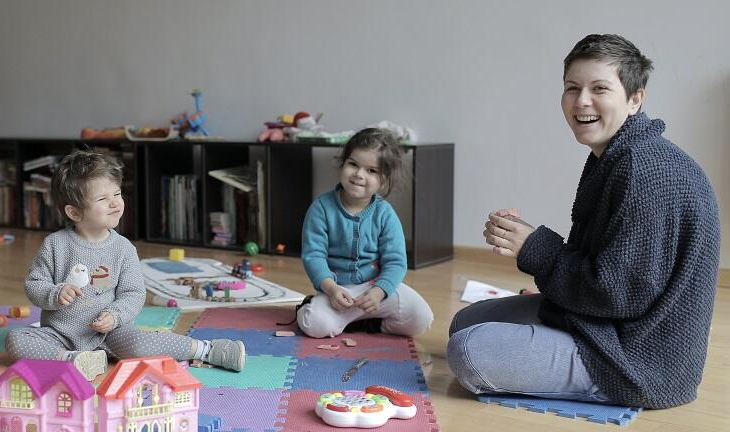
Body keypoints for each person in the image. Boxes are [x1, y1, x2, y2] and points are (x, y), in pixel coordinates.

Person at [447, 34, 720, 409]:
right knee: (463, 323)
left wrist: (534, 247)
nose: (582, 101)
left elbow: (618, 294)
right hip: (604, 325)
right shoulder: (616, 155)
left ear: (635, 98)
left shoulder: (645, 169)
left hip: (637, 359)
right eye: (572, 88)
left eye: (600, 88)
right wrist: (526, 241)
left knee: (468, 350)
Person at [5, 149, 245, 379]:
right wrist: (55, 293)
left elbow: (134, 293)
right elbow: (34, 284)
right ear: (75, 212)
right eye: (102, 198)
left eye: (117, 194)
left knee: (140, 343)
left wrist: (115, 315)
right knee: (16, 340)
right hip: (61, 334)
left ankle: (207, 349)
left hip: (111, 332)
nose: (115, 203)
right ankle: (73, 360)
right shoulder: (55, 245)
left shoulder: (123, 249)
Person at [297, 127, 433, 339]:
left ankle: (371, 323)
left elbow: (396, 262)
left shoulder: (385, 213)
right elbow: (313, 256)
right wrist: (331, 289)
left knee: (421, 318)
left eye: (371, 171)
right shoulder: (321, 208)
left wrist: (379, 291)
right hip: (337, 292)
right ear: (343, 163)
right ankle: (321, 310)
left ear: (384, 180)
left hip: (375, 289)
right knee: (313, 324)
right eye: (353, 164)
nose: (359, 174)